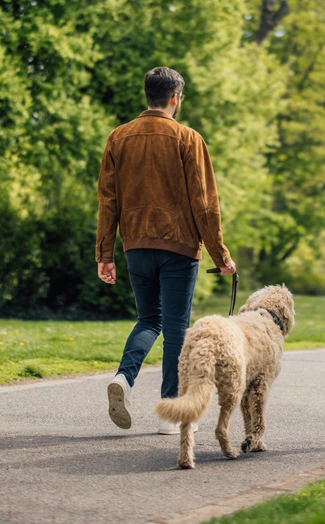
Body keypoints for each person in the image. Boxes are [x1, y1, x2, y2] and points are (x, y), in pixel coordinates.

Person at [96, 67, 236, 435]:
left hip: (136, 245)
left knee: (148, 320)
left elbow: (107, 202)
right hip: (179, 246)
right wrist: (221, 256)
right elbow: (204, 204)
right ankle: (169, 413)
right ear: (175, 98)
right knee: (176, 328)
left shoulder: (118, 137)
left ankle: (124, 379)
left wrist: (105, 254)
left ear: (148, 95)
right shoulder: (188, 138)